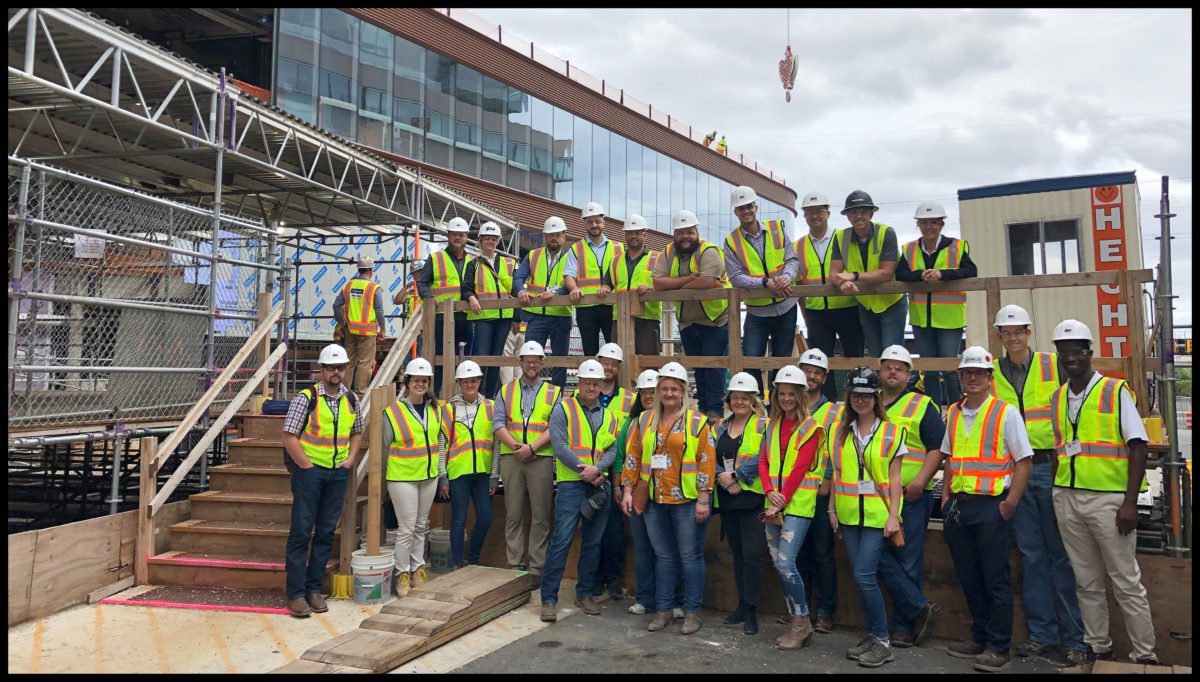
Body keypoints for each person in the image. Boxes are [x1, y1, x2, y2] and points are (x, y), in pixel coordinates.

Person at [908, 346, 1034, 673]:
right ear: (960, 377)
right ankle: (979, 636)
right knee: (969, 577)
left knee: (995, 579)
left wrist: (1011, 503)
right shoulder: (954, 412)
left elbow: (1024, 462)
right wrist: (947, 496)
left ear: (990, 378)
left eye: (979, 373)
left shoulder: (1005, 413)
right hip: (959, 508)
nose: (973, 377)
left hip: (992, 506)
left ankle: (998, 645)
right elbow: (949, 458)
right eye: (967, 373)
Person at [1048, 320, 1158, 671]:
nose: (1071, 358)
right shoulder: (1058, 397)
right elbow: (1060, 449)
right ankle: (1099, 650)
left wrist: (1130, 502)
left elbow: (1138, 446)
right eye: (1065, 353)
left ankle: (1144, 656)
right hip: (1069, 498)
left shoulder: (1114, 391)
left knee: (1126, 581)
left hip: (1109, 502)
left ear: (1090, 354)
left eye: (1078, 351)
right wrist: (1057, 489)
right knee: (1087, 582)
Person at [992, 305, 1086, 668]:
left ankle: (1074, 638)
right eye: (1006, 332)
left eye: (1018, 331)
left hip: (1050, 465)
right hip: (1016, 469)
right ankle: (1043, 636)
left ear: (1029, 332)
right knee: (1032, 555)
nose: (1012, 338)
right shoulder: (995, 372)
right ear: (1000, 336)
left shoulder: (1052, 364)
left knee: (1061, 555)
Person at [621, 362, 715, 636]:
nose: (669, 393)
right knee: (663, 556)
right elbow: (633, 456)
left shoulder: (697, 422)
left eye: (674, 388)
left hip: (686, 501)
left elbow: (706, 461)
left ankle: (692, 612)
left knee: (689, 556)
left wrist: (703, 498)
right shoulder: (644, 420)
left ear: (684, 391)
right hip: (654, 499)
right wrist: (627, 489)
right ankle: (663, 610)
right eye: (664, 388)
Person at [829, 366, 906, 668]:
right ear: (849, 398)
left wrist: (894, 517)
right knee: (861, 579)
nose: (861, 400)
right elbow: (836, 474)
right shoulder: (841, 432)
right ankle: (873, 635)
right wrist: (832, 509)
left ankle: (883, 641)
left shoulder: (891, 431)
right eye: (855, 395)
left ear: (876, 398)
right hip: (849, 516)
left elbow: (895, 479)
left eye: (866, 395)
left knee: (864, 576)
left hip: (877, 516)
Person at [281, 344, 364, 618]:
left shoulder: (351, 399)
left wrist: (350, 459)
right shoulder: (306, 399)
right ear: (322, 370)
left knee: (326, 532)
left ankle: (313, 589)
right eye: (331, 368)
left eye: (340, 367)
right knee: (302, 532)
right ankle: (295, 594)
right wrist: (305, 465)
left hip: (337, 473)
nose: (336, 372)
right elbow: (289, 436)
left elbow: (357, 432)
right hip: (311, 473)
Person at [539, 359, 620, 623]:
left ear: (600, 385)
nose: (591, 387)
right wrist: (583, 469)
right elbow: (559, 445)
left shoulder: (608, 416)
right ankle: (549, 599)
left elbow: (612, 449)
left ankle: (584, 593)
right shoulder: (564, 409)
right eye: (587, 382)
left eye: (596, 384)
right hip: (572, 484)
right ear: (580, 383)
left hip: (597, 485)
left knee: (593, 542)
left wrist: (597, 470)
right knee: (561, 540)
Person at [877, 345, 945, 648]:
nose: (893, 371)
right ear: (880, 371)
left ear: (908, 374)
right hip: (874, 497)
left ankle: (904, 628)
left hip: (911, 495)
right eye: (888, 366)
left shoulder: (922, 405)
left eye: (899, 367)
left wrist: (920, 481)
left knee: (907, 559)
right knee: (872, 556)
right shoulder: (866, 401)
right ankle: (919, 608)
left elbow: (938, 448)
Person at [759, 366, 827, 650]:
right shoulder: (772, 424)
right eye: (782, 393)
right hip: (773, 504)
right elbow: (763, 461)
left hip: (797, 505)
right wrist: (770, 491)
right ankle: (799, 621)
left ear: (800, 395)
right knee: (779, 564)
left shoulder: (812, 427)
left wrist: (782, 497)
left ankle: (801, 621)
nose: (786, 398)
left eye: (791, 394)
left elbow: (801, 467)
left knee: (787, 563)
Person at [492, 341, 561, 588]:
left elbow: (557, 426)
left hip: (540, 458)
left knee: (541, 515)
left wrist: (532, 448)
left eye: (536, 361)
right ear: (520, 363)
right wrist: (516, 447)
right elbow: (498, 424)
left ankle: (535, 567)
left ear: (542, 364)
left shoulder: (554, 392)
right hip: (512, 459)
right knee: (513, 513)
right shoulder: (505, 391)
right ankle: (514, 564)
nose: (531, 365)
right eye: (527, 361)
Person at [652, 209, 731, 421]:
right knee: (699, 367)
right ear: (674, 235)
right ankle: (704, 409)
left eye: (689, 232)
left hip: (715, 319)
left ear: (696, 231)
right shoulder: (668, 253)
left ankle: (714, 411)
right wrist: (688, 279)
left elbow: (707, 282)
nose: (685, 237)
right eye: (681, 233)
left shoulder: (709, 251)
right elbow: (658, 283)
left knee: (714, 367)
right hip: (688, 320)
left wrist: (674, 284)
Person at [896, 201, 977, 406]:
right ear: (918, 225)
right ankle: (931, 412)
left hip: (950, 320)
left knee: (950, 370)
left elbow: (971, 272)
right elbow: (900, 274)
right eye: (924, 223)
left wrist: (943, 275)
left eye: (933, 223)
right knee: (928, 369)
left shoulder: (957, 247)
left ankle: (956, 411)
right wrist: (919, 276)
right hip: (922, 318)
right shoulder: (909, 249)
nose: (929, 227)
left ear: (941, 225)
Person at [618, 369, 683, 620]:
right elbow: (628, 458)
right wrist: (624, 489)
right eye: (644, 392)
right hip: (640, 493)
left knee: (669, 550)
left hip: (668, 494)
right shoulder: (636, 422)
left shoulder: (681, 419)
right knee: (644, 548)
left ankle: (673, 599)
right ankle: (646, 597)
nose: (648, 396)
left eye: (650, 391)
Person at [724, 185, 800, 391]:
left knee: (782, 362)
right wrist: (765, 282)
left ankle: (778, 407)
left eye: (749, 206)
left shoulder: (776, 229)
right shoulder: (731, 241)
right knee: (750, 361)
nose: (746, 211)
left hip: (786, 306)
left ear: (755, 207)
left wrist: (786, 277)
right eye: (741, 208)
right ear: (736, 212)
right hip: (756, 311)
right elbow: (736, 277)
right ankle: (755, 407)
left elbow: (792, 259)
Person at [382, 357, 447, 596]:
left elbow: (440, 440)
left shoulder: (435, 409)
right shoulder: (393, 412)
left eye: (425, 380)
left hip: (427, 476)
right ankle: (402, 575)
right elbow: (385, 446)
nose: (420, 384)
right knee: (407, 528)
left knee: (422, 526)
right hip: (402, 477)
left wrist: (440, 474)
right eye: (416, 380)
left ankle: (418, 568)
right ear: (408, 382)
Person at [713, 372, 769, 636]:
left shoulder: (763, 425)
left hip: (753, 500)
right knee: (737, 556)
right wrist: (722, 480)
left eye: (745, 398)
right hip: (728, 500)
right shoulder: (720, 426)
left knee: (753, 556)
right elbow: (707, 455)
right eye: (735, 397)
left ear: (753, 400)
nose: (739, 402)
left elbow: (764, 456)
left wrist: (736, 476)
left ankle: (751, 610)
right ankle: (740, 604)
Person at [795, 192, 863, 402]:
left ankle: (857, 399)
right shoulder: (798, 246)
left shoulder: (844, 239)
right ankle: (827, 404)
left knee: (854, 357)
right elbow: (799, 283)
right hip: (817, 312)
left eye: (819, 211)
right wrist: (806, 314)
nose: (815, 216)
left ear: (828, 213)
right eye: (810, 212)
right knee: (820, 362)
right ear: (804, 216)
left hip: (847, 308)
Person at [796, 349, 842, 634]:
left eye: (816, 372)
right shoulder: (788, 405)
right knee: (797, 554)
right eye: (807, 370)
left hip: (821, 492)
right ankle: (801, 612)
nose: (811, 376)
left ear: (824, 378)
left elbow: (836, 450)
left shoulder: (834, 411)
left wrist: (827, 479)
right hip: (793, 493)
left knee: (822, 554)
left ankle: (825, 612)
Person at [829, 190, 907, 357]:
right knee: (875, 354)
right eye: (854, 212)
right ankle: (880, 384)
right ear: (847, 216)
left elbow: (886, 273)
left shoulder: (886, 232)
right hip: (866, 304)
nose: (859, 216)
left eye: (863, 211)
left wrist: (853, 276)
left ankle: (893, 384)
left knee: (892, 354)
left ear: (871, 213)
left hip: (891, 302)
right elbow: (834, 272)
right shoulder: (841, 237)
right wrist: (842, 282)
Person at [440, 360, 496, 569]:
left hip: (482, 472)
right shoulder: (449, 409)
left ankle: (472, 558)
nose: (470, 385)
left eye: (474, 380)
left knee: (486, 517)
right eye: (465, 381)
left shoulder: (490, 407)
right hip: (458, 472)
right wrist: (442, 476)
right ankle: (458, 563)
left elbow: (496, 443)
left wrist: (494, 474)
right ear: (459, 383)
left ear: (479, 381)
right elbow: (441, 442)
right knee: (458, 520)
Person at [592, 343, 635, 599]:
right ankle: (595, 579)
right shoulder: (586, 393)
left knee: (616, 532)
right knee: (593, 530)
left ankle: (614, 579)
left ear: (619, 368)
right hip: (592, 471)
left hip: (617, 472)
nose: (608, 367)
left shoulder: (629, 399)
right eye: (604, 362)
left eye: (612, 363)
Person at [418, 217, 474, 396]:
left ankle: (462, 393)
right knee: (441, 357)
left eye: (462, 235)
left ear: (466, 237)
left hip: (466, 317)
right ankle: (437, 393)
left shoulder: (473, 261)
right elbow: (422, 283)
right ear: (448, 236)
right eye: (455, 234)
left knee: (465, 358)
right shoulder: (436, 259)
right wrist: (429, 298)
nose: (458, 238)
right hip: (442, 317)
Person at [514, 217, 572, 388]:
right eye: (549, 234)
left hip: (560, 315)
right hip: (536, 315)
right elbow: (518, 277)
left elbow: (574, 282)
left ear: (564, 236)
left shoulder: (571, 257)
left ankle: (557, 396)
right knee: (531, 356)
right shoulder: (533, 255)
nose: (553, 238)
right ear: (544, 237)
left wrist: (555, 292)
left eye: (557, 234)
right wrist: (521, 291)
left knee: (560, 360)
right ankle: (530, 392)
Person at [463, 221, 517, 398]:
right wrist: (471, 297)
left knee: (497, 358)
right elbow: (466, 287)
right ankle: (476, 394)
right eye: (487, 238)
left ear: (499, 240)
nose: (490, 241)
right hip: (484, 318)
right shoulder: (473, 264)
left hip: (504, 318)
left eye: (494, 238)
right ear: (480, 240)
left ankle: (490, 396)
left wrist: (517, 317)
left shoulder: (509, 263)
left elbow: (515, 290)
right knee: (482, 357)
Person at [564, 202, 621, 357]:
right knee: (590, 352)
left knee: (614, 351)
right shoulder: (576, 248)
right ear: (584, 224)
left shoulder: (619, 248)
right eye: (590, 222)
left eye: (597, 221)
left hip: (612, 306)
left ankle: (615, 382)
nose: (594, 225)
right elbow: (569, 275)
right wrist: (574, 289)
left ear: (604, 222)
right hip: (586, 307)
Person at [332, 256, 386, 396]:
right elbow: (379, 310)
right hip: (367, 332)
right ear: (370, 270)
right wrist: (383, 328)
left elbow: (336, 306)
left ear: (359, 269)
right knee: (365, 363)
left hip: (350, 330)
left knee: (348, 362)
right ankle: (360, 392)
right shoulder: (374, 288)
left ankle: (342, 392)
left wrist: (343, 323)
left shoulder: (348, 286)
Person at [612, 214, 663, 356]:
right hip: (620, 319)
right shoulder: (615, 261)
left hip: (648, 319)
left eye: (637, 233)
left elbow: (665, 285)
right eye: (629, 233)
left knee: (649, 362)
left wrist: (651, 289)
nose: (633, 236)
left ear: (645, 235)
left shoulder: (657, 258)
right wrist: (603, 288)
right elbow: (608, 285)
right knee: (620, 362)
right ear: (625, 235)